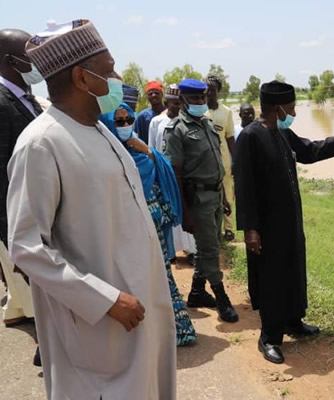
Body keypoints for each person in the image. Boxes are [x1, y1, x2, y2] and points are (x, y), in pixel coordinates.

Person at [7, 19, 176, 399]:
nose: (118, 79)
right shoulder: (41, 144)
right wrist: (106, 299)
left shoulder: (101, 131)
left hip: (140, 308)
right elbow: (27, 246)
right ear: (82, 78)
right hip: (100, 323)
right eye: (110, 70)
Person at [234, 80, 334, 364]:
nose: (294, 112)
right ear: (277, 108)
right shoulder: (250, 137)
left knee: (293, 270)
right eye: (292, 108)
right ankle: (269, 337)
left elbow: (307, 150)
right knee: (271, 279)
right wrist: (250, 229)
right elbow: (243, 186)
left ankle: (293, 321)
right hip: (267, 225)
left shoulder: (282, 132)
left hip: (290, 220)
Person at [100, 102, 196, 347]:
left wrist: (149, 152)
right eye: (118, 122)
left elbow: (163, 174)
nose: (124, 125)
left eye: (127, 120)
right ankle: (143, 336)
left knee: (161, 278)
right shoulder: (106, 157)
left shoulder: (141, 150)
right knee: (134, 281)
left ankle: (175, 332)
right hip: (126, 234)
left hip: (155, 229)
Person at [163, 78, 238, 321]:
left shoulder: (207, 124)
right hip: (198, 200)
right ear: (183, 99)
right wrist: (185, 212)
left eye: (202, 97)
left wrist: (225, 197)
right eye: (194, 98)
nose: (200, 102)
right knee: (210, 249)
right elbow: (175, 175)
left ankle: (196, 292)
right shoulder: (177, 130)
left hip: (215, 195)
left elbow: (217, 161)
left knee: (210, 246)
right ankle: (222, 298)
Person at [0, 28, 39, 329]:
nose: (36, 61)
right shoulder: (1, 104)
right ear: (10, 60)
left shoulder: (29, 98)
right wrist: (13, 243)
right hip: (22, 223)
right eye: (29, 55)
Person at [149, 84, 197, 261]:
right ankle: (171, 252)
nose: (177, 106)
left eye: (180, 102)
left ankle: (192, 251)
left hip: (184, 174)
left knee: (187, 209)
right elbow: (152, 149)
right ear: (166, 102)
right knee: (168, 213)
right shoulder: (157, 122)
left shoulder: (187, 121)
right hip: (165, 175)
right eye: (173, 103)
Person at [205, 75, 236, 241]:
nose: (209, 93)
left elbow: (230, 137)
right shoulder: (200, 111)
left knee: (228, 193)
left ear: (219, 91)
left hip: (223, 159)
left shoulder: (226, 112)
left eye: (213, 90)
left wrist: (235, 160)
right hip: (206, 161)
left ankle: (229, 228)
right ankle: (213, 228)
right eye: (207, 90)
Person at [134, 80, 165, 144]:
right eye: (150, 94)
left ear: (162, 94)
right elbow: (138, 139)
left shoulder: (169, 113)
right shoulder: (142, 117)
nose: (153, 95)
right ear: (147, 97)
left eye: (156, 93)